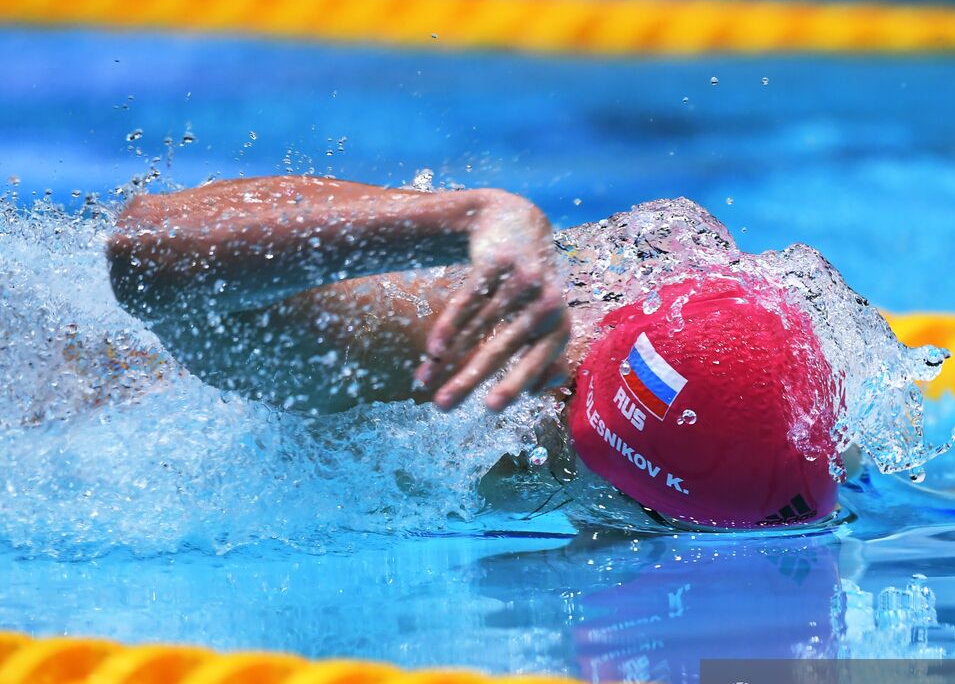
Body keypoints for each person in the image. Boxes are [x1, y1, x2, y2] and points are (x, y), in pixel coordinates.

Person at [107, 177, 841, 529]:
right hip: (90, 394)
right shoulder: (436, 354)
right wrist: (468, 220)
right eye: (640, 513)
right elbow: (142, 261)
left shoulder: (789, 425)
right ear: (566, 415)